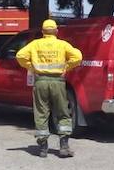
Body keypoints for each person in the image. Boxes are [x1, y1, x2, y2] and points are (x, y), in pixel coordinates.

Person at [16, 19, 83, 158]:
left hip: (40, 81)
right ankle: (64, 146)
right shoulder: (62, 45)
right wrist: (66, 67)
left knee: (41, 113)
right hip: (58, 82)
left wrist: (31, 67)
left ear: (42, 32)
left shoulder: (35, 44)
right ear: (56, 31)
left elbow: (20, 55)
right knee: (63, 112)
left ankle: (43, 148)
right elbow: (78, 56)